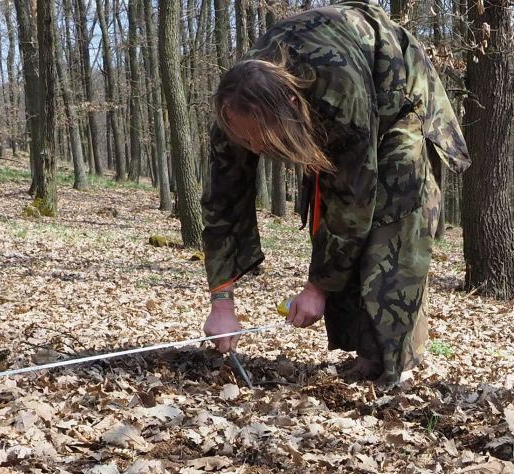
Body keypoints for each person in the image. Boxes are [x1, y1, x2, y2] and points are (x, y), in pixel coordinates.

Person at [199, 0, 469, 388]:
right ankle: (365, 354)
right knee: (329, 224)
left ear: (292, 107)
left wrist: (317, 287)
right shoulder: (235, 107)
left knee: (391, 229)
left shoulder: (337, 86)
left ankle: (396, 366)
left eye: (263, 139)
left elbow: (354, 195)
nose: (254, 148)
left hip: (404, 102)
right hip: (334, 104)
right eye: (246, 140)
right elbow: (223, 201)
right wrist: (221, 301)